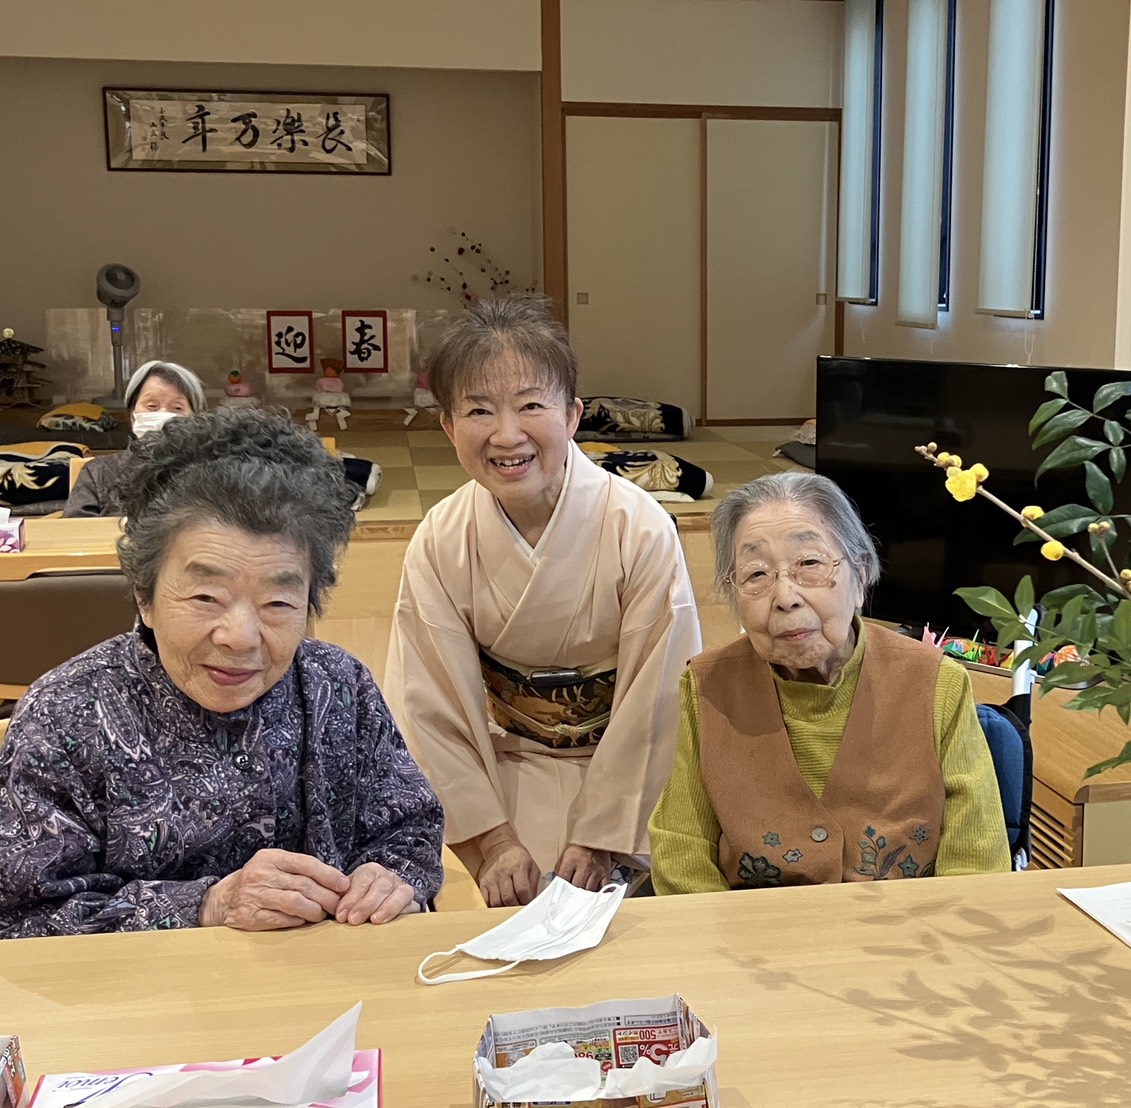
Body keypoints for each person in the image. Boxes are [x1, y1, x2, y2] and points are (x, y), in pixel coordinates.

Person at [0, 409, 444, 938]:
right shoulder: (65, 717)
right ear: (144, 596)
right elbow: (22, 917)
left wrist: (390, 877)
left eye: (278, 603)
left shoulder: (339, 686)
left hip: (329, 979)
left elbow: (409, 827)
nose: (241, 637)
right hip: (141, 991)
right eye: (206, 597)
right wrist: (205, 905)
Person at [384, 297, 701, 908]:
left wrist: (601, 837)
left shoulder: (638, 527)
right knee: (506, 929)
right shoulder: (441, 539)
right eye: (479, 410)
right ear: (449, 427)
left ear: (573, 414)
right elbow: (427, 704)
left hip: (630, 778)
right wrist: (492, 840)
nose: (507, 435)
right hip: (505, 770)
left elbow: (660, 695)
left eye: (531, 405)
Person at [649, 472, 1011, 893]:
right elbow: (682, 850)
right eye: (756, 575)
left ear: (860, 575)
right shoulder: (709, 686)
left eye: (810, 564)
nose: (785, 597)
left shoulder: (936, 683)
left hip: (909, 929)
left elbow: (976, 867)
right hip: (752, 930)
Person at [64, 359, 207, 518]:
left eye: (177, 408)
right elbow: (75, 527)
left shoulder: (208, 472)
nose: (163, 415)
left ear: (195, 420)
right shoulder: (98, 472)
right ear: (133, 417)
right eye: (152, 406)